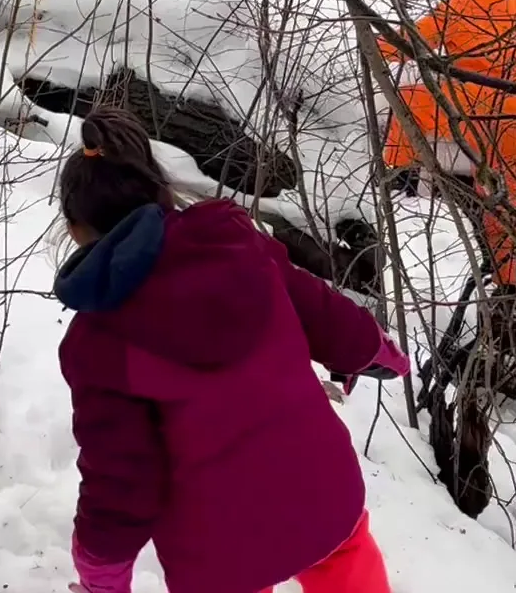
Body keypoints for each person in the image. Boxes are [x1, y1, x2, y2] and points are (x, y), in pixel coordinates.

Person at [54, 107, 410, 593]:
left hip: (216, 550)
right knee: (345, 561)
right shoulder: (235, 242)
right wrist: (375, 351)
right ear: (159, 191)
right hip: (324, 497)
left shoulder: (98, 344)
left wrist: (101, 576)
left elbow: (122, 479)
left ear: (76, 229)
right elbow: (321, 310)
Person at [377, 0, 516, 286]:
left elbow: (395, 46)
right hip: (511, 115)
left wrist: (374, 38)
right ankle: (514, 278)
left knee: (409, 100)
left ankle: (398, 174)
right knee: (505, 199)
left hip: (466, 110)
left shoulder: (450, 12)